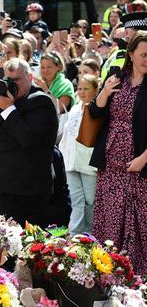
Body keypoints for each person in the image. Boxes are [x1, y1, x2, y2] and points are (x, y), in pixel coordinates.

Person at [0, 58, 59, 226]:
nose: (11, 85)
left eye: (16, 79)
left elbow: (28, 138)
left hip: (26, 191)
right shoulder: (3, 97)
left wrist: (9, 109)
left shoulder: (41, 102)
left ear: (30, 77)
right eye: (8, 80)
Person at [89, 31, 147, 275]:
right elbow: (95, 113)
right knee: (110, 219)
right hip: (111, 161)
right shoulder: (116, 78)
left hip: (139, 163)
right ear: (131, 54)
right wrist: (103, 93)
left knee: (138, 222)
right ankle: (108, 273)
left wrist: (144, 158)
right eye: (144, 54)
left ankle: (137, 278)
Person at [58, 74, 99, 234]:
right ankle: (74, 236)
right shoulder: (74, 108)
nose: (81, 92)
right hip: (71, 163)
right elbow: (67, 137)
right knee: (77, 201)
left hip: (89, 165)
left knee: (90, 202)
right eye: (80, 88)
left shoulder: (98, 111)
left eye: (86, 89)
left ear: (95, 90)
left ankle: (89, 235)